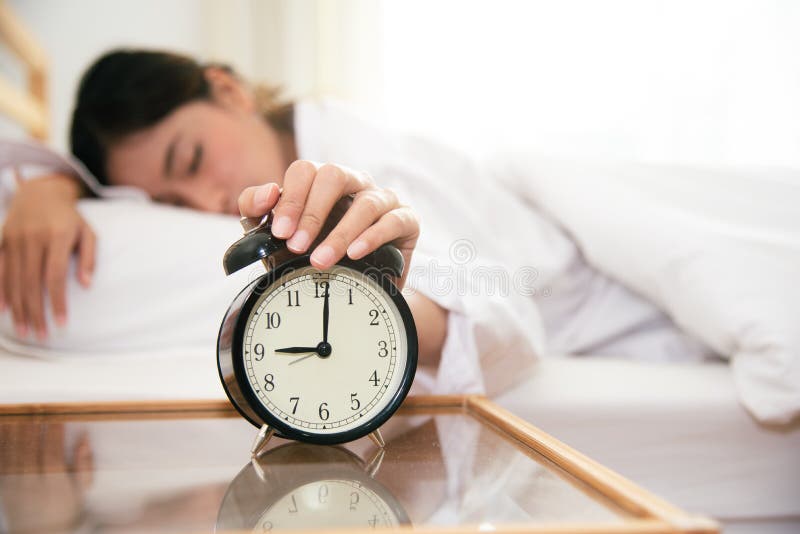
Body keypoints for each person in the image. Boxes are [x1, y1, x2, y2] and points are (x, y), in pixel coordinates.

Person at [0, 49, 710, 397]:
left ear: (228, 89)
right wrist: (47, 189)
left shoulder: (367, 156)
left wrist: (389, 293)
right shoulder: (283, 186)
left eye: (192, 158)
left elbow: (498, 311)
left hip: (639, 319)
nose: (208, 200)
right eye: (174, 206)